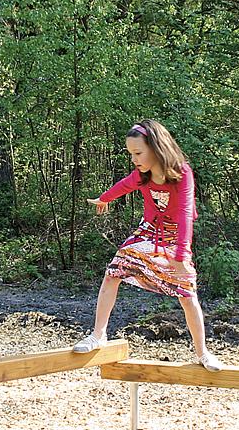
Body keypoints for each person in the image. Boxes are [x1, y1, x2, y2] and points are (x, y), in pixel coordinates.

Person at [74, 120, 223, 371]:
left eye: (138, 153)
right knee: (113, 272)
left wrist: (180, 255)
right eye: (131, 154)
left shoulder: (182, 172)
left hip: (176, 236)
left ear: (156, 148)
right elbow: (124, 185)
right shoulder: (142, 176)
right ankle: (98, 335)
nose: (134, 159)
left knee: (187, 294)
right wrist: (104, 198)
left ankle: (203, 353)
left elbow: (185, 212)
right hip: (149, 230)